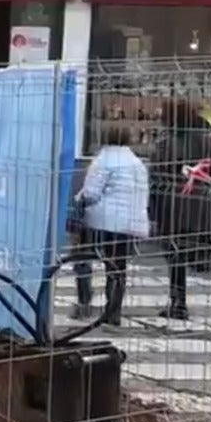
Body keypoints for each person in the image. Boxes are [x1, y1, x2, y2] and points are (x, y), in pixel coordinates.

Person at [148, 100, 211, 321]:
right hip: (200, 204)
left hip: (173, 206)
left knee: (175, 255)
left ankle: (178, 301)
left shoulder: (165, 142)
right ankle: (180, 299)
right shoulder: (208, 141)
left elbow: (156, 177)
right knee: (189, 249)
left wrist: (153, 210)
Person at [71, 124, 151, 322]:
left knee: (83, 258)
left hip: (103, 221)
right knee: (117, 267)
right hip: (130, 223)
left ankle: (84, 301)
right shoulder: (137, 162)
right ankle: (113, 311)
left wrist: (78, 199)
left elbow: (91, 193)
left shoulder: (104, 159)